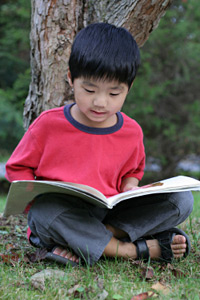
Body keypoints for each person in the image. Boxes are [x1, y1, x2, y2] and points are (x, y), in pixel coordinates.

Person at [5, 23, 193, 266]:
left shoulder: (131, 131)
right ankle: (130, 250)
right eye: (90, 89)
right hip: (62, 213)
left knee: (181, 199)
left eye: (114, 94)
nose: (101, 102)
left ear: (129, 88)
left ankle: (85, 241)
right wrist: (33, 194)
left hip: (109, 214)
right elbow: (17, 170)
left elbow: (132, 173)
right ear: (71, 79)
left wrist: (130, 187)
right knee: (45, 212)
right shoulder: (48, 125)